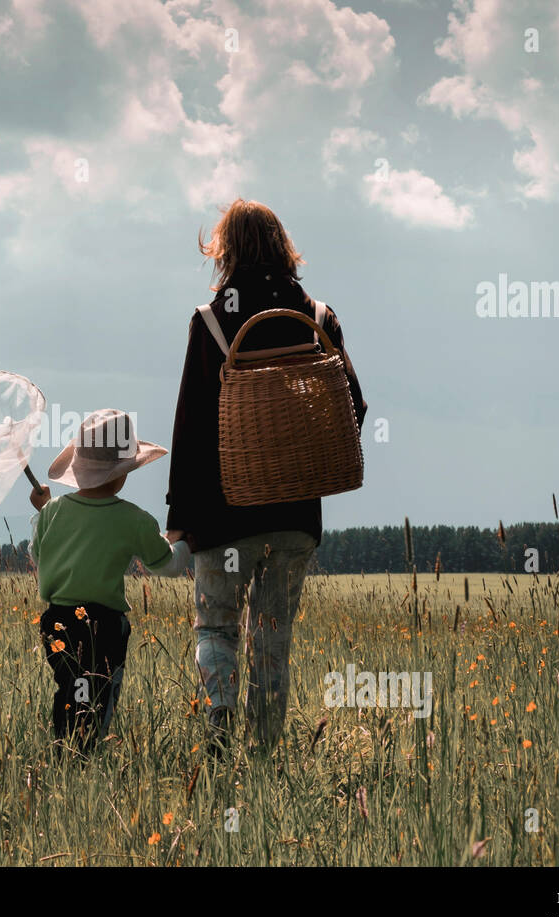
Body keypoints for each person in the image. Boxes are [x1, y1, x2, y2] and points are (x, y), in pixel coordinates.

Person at [165, 199, 368, 757]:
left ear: (224, 251)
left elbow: (190, 425)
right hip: (296, 516)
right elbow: (354, 407)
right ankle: (265, 755)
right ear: (284, 247)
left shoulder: (210, 322)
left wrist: (179, 518)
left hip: (222, 512)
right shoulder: (320, 318)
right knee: (272, 639)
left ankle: (220, 714)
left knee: (216, 627)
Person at [30, 409, 191, 754]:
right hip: (103, 624)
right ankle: (86, 758)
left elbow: (40, 556)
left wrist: (43, 511)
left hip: (56, 621)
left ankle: (65, 752)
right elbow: (168, 566)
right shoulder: (133, 520)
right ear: (122, 474)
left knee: (71, 688)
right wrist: (184, 540)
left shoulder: (52, 513)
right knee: (100, 694)